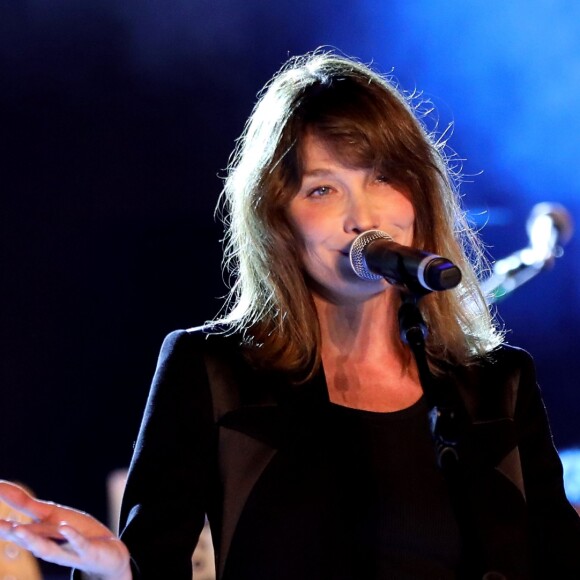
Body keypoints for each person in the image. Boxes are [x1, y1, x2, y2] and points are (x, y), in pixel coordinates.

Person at [1, 49, 580, 579]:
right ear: (278, 222)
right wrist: (113, 572)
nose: (363, 217)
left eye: (382, 178)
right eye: (323, 190)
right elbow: (154, 562)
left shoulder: (497, 385)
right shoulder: (213, 372)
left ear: (419, 197)